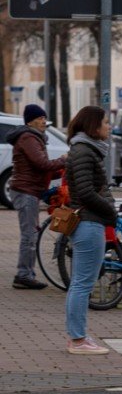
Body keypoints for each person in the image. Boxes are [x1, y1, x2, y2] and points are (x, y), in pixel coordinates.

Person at [63, 106, 115, 355]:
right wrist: (110, 211)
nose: (109, 126)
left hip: (88, 221)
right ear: (93, 126)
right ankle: (78, 340)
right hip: (89, 222)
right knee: (83, 284)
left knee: (80, 283)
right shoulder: (84, 151)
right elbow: (85, 192)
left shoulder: (83, 149)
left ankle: (78, 336)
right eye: (105, 122)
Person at [10, 104, 64, 290]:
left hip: (30, 190)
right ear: (30, 121)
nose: (44, 121)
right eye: (40, 118)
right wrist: (64, 159)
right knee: (29, 235)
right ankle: (24, 275)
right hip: (26, 191)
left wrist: (61, 170)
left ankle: (26, 274)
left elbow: (42, 169)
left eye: (44, 118)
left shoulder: (35, 138)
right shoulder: (28, 138)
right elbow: (42, 164)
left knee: (31, 233)